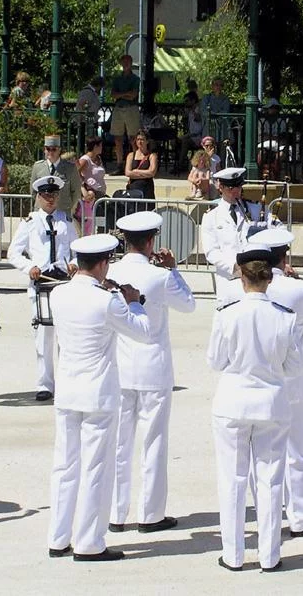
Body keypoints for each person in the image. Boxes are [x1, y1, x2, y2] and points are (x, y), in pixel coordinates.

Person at [47, 233, 152, 561]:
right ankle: (89, 542)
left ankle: (58, 537)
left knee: (65, 466)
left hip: (67, 391)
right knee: (96, 468)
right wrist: (132, 301)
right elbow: (143, 332)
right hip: (97, 394)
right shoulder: (107, 300)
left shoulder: (58, 294)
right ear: (104, 263)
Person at [207, 243, 301, 572]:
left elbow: (215, 361)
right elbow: (294, 368)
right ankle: (269, 555)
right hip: (271, 403)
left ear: (241, 277)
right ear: (269, 278)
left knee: (231, 479)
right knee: (271, 481)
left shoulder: (227, 314)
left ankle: (233, 555)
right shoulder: (285, 318)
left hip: (232, 401)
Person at [108, 211, 196, 535]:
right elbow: (188, 304)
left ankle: (116, 514)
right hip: (153, 368)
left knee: (119, 443)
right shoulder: (160, 276)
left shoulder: (111, 271)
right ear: (151, 242)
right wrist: (173, 270)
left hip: (120, 366)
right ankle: (150, 513)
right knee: (153, 442)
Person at [247, 227, 303, 537]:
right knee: (296, 450)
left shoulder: (240, 289)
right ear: (284, 257)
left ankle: (266, 516)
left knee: (261, 453)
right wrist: (297, 281)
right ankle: (299, 516)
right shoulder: (298, 289)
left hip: (258, 379)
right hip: (294, 381)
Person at [8, 176, 79, 401]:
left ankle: (67, 382)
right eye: (46, 195)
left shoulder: (66, 221)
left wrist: (74, 263)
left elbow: (77, 250)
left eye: (54, 195)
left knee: (66, 337)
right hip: (41, 285)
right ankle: (45, 384)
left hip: (63, 284)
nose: (50, 199)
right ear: (38, 197)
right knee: (44, 338)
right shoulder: (29, 222)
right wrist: (29, 267)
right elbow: (13, 252)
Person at [201, 167, 262, 302]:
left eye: (239, 187)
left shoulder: (256, 209)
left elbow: (275, 231)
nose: (236, 191)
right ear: (220, 187)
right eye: (230, 188)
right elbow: (211, 252)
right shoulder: (211, 216)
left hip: (255, 279)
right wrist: (234, 266)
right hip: (228, 279)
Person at [31, 135, 82, 219]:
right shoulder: (37, 167)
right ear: (44, 150)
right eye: (48, 149)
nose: (51, 152)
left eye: (54, 149)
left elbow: (76, 192)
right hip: (41, 214)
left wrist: (68, 207)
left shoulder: (70, 168)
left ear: (59, 150)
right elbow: (33, 192)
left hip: (62, 213)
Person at [110, 55, 141, 173]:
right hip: (118, 108)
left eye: (128, 62)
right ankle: (119, 164)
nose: (126, 64)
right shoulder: (117, 79)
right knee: (117, 138)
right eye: (124, 62)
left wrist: (120, 94)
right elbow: (113, 94)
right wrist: (126, 94)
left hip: (131, 108)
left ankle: (135, 163)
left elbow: (134, 95)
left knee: (133, 138)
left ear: (131, 63)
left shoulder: (135, 79)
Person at [77, 137, 108, 236]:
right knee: (90, 220)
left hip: (100, 193)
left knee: (103, 217)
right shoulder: (85, 160)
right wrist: (84, 186)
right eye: (100, 145)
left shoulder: (98, 158)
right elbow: (75, 173)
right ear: (95, 146)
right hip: (91, 195)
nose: (102, 148)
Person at [176, 91, 205, 172]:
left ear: (193, 101)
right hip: (191, 135)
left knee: (185, 141)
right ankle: (184, 162)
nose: (186, 103)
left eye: (187, 101)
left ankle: (180, 165)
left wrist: (193, 111)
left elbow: (198, 120)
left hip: (198, 136)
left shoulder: (198, 109)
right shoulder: (189, 111)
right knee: (176, 141)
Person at [124, 131, 158, 200]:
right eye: (138, 139)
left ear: (147, 141)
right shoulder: (131, 155)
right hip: (133, 189)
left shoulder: (152, 156)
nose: (140, 142)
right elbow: (127, 173)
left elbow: (152, 172)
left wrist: (136, 171)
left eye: (142, 139)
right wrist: (145, 173)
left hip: (147, 190)